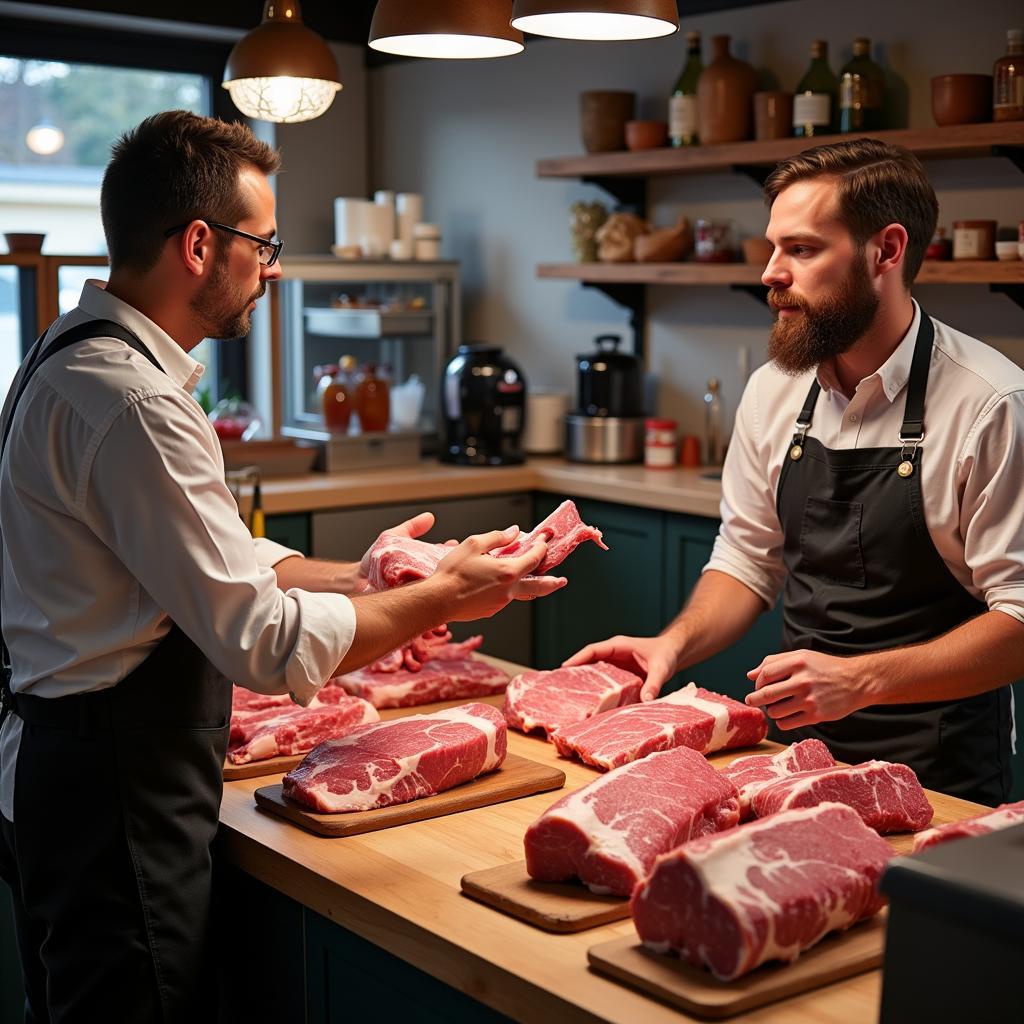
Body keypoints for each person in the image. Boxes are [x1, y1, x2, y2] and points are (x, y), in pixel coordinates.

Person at [0, 110, 564, 1023]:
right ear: (197, 244)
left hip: (63, 776)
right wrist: (445, 596)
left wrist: (362, 577)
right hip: (115, 802)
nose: (272, 269)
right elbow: (262, 642)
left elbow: (199, 552)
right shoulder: (138, 403)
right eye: (263, 245)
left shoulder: (68, 357)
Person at [568, 138, 1024, 807]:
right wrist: (671, 644)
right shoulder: (773, 391)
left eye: (802, 250)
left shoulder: (991, 404)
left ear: (886, 252)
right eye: (773, 247)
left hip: (940, 780)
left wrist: (861, 680)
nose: (771, 273)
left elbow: (1018, 621)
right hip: (795, 764)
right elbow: (749, 561)